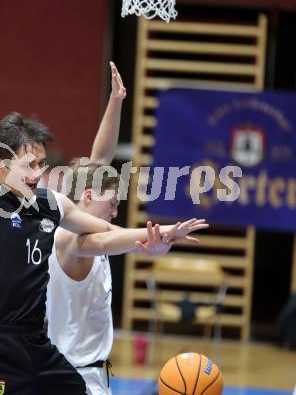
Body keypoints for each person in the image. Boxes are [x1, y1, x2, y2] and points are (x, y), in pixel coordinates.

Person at [0, 0, 165, 395]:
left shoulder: (50, 203)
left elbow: (102, 231)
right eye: (29, 164)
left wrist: (154, 238)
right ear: (1, 164)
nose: (38, 172)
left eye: (42, 163)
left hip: (37, 345)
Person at [46, 64, 208, 395]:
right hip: (69, 379)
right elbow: (104, 241)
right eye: (113, 202)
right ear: (88, 196)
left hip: (86, 376)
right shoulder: (64, 237)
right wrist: (159, 232)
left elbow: (101, 160)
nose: (116, 210)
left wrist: (116, 100)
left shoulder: (87, 219)